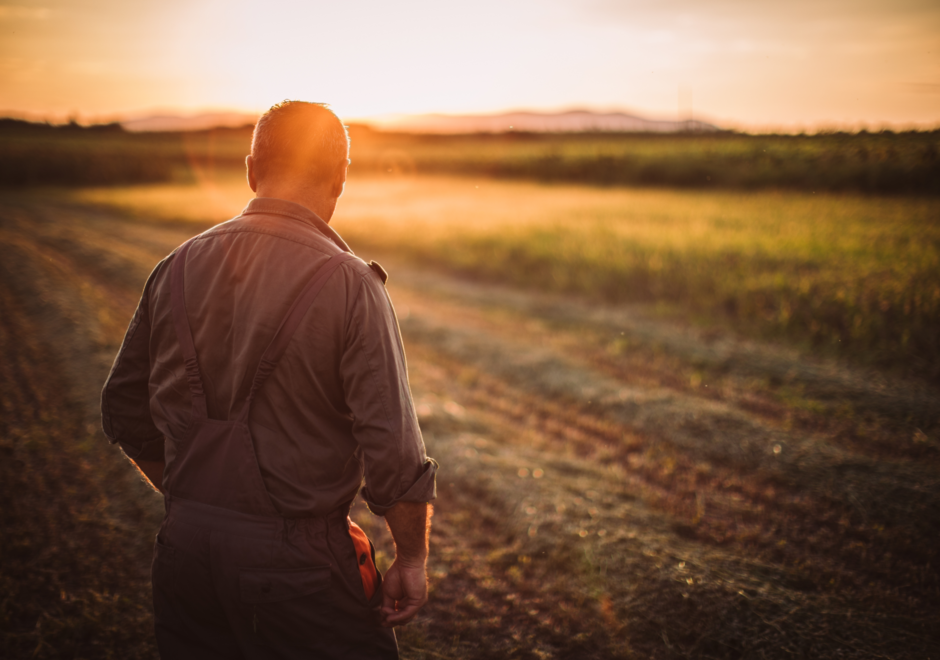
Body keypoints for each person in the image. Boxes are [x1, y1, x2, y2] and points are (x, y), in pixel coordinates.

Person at [100, 101, 437, 659]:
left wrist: (205, 501)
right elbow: (393, 451)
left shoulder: (175, 266)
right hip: (300, 569)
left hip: (184, 552)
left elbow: (124, 412)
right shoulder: (352, 284)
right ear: (341, 179)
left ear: (251, 170)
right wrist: (412, 559)